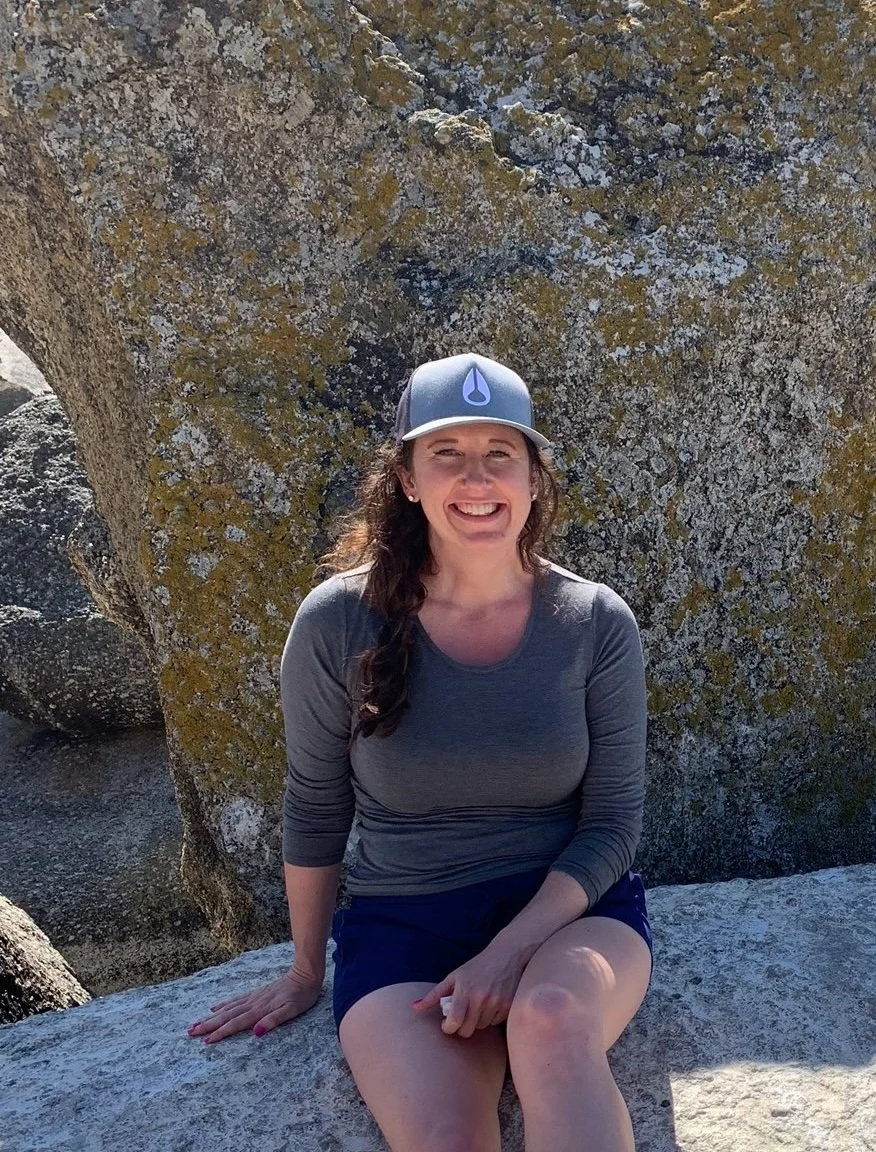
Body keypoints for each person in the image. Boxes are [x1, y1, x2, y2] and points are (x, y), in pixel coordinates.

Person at [188, 353, 651, 1152]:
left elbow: (612, 823)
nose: (478, 479)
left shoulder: (595, 622)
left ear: (535, 477)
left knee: (548, 1020)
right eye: (448, 454)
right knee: (445, 1138)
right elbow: (315, 803)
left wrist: (509, 956)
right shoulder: (336, 622)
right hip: (404, 926)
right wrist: (306, 971)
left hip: (569, 919)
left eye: (500, 454)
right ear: (407, 478)